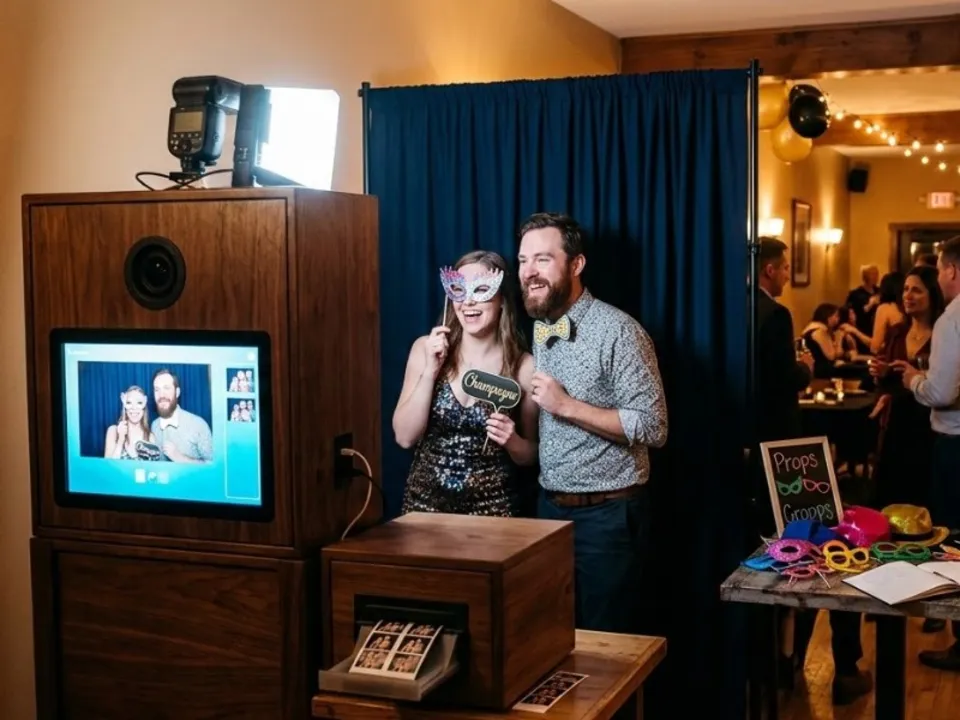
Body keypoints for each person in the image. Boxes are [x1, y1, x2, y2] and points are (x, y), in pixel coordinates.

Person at [516, 212, 667, 634]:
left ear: (576, 264)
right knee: (547, 640)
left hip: (607, 518)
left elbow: (654, 426)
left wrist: (566, 406)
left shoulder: (619, 331)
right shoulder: (540, 326)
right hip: (548, 513)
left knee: (605, 647)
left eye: (543, 259)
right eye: (523, 260)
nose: (529, 271)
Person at [753, 238, 871, 704]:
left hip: (741, 455)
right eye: (784, 268)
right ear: (768, 270)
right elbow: (780, 380)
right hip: (781, 453)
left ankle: (777, 663)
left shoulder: (729, 308)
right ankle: (841, 667)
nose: (787, 275)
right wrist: (803, 367)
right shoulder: (775, 315)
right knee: (817, 552)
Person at [393, 250, 538, 516]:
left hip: (493, 513)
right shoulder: (424, 349)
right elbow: (404, 437)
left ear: (502, 300)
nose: (468, 301)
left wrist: (513, 441)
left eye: (481, 290)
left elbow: (532, 456)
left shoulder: (524, 366)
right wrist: (430, 371)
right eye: (459, 290)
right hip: (424, 509)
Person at [894, 236, 960, 671]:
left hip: (955, 443)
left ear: (952, 270)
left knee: (953, 542)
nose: (938, 278)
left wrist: (913, 380)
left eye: (938, 270)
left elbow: (941, 393)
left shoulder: (952, 318)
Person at [869, 266, 944, 510]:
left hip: (928, 422)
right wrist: (882, 373)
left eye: (916, 290)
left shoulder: (943, 334)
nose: (907, 296)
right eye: (905, 289)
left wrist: (920, 376)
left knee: (922, 495)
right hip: (896, 423)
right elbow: (886, 381)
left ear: (933, 294)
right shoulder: (897, 332)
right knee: (890, 496)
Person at [150, 368, 213, 463]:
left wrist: (179, 457)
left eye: (166, 388)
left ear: (177, 392)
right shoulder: (154, 426)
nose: (161, 395)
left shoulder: (198, 425)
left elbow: (212, 465)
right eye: (157, 389)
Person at [103, 385, 157, 459]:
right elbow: (107, 465)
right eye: (129, 402)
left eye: (139, 403)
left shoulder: (150, 437)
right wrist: (120, 441)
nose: (134, 408)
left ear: (144, 407)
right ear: (124, 407)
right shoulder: (113, 431)